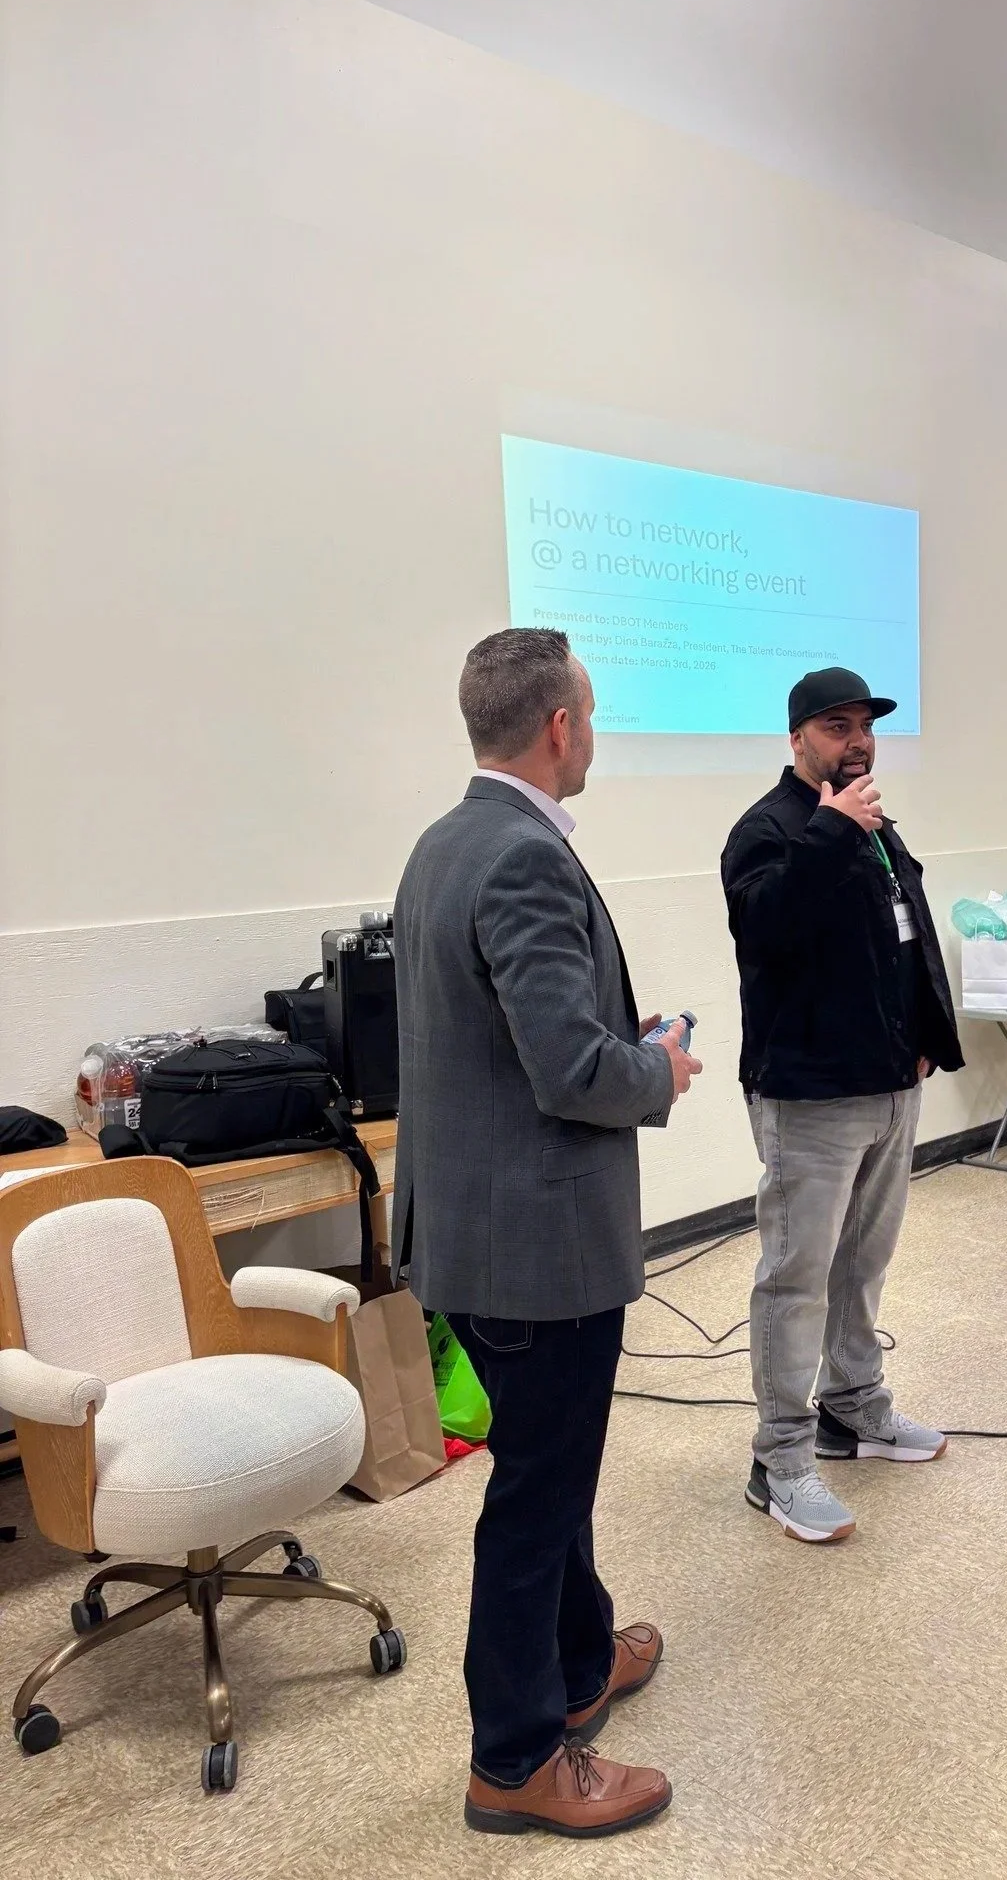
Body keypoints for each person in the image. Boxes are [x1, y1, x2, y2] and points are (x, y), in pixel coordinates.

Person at [392, 626, 701, 1838]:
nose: (596, 732)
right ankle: (515, 1757)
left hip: (476, 1230)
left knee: (552, 1469)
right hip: (535, 1249)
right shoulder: (522, 858)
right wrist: (661, 1065)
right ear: (560, 725)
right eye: (594, 711)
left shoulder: (444, 840)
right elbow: (573, 1068)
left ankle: (580, 1659)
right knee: (535, 1495)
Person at [720, 666, 964, 1544]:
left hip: (890, 1079)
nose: (855, 740)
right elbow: (767, 930)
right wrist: (829, 829)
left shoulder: (872, 826)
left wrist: (926, 1032)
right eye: (834, 725)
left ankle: (853, 1407)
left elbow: (907, 936)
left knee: (862, 1262)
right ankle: (780, 1460)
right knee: (796, 1278)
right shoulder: (771, 830)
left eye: (864, 725)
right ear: (795, 739)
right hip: (809, 1096)